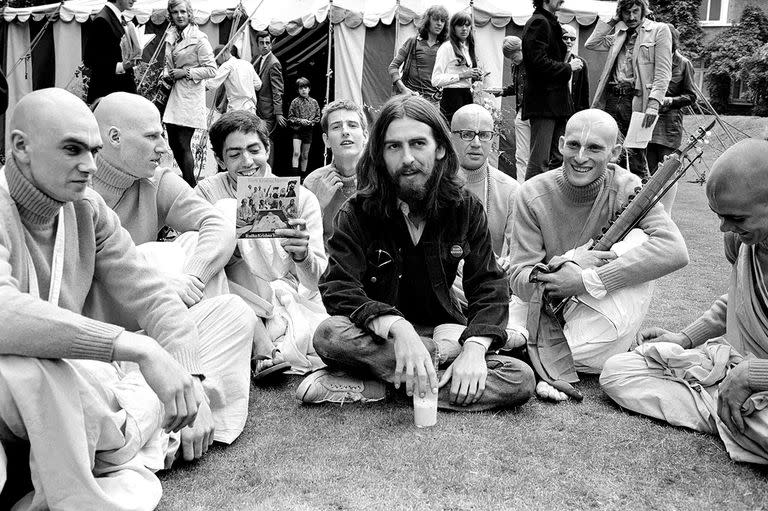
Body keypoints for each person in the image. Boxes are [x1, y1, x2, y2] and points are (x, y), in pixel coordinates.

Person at [0, 88, 229, 509]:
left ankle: (126, 431)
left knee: (225, 318)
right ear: (21, 147)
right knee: (33, 372)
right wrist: (136, 348)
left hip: (74, 379)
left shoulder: (87, 208)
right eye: (72, 150)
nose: (89, 166)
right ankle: (128, 440)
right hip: (23, 382)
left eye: (93, 150)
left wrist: (190, 379)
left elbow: (154, 296)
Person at [296, 95, 535, 410]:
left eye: (418, 143)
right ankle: (433, 378)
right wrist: (398, 328)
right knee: (328, 334)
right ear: (380, 154)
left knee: (520, 378)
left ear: (439, 148)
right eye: (394, 146)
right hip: (381, 338)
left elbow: (489, 286)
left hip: (441, 332)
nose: (407, 158)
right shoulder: (358, 211)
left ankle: (378, 386)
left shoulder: (464, 207)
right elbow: (338, 286)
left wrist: (475, 350)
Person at [88, 92, 263, 439]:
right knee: (157, 257)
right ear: (114, 138)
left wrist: (192, 276)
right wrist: (159, 285)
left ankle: (191, 395)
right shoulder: (74, 192)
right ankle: (185, 403)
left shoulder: (157, 182)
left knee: (233, 306)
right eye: (153, 136)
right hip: (102, 321)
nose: (164, 148)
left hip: (163, 316)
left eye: (163, 136)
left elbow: (219, 226)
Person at [600, 139, 768, 464]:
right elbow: (737, 299)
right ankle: (732, 414)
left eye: (736, 218)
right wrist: (684, 338)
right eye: (719, 216)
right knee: (619, 371)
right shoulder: (740, 242)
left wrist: (752, 376)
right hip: (732, 366)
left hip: (754, 374)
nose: (724, 229)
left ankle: (732, 413)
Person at [508, 109, 688, 399]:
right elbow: (519, 278)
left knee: (639, 239)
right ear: (560, 144)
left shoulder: (629, 188)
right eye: (573, 145)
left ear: (615, 152)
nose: (580, 157)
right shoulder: (531, 193)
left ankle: (530, 356)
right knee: (514, 313)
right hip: (545, 302)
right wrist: (570, 262)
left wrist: (590, 280)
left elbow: (675, 251)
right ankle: (544, 357)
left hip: (596, 304)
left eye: (594, 148)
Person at [196, 111, 328, 375]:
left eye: (254, 149)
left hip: (281, 293)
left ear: (267, 149)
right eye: (234, 154)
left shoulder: (302, 199)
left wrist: (302, 256)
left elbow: (314, 283)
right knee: (222, 213)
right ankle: (261, 342)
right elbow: (192, 254)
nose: (247, 161)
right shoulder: (207, 192)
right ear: (221, 161)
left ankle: (261, 339)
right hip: (222, 285)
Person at [586, 0, 672, 179]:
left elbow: (663, 72)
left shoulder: (659, 30)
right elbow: (592, 43)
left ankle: (642, 203)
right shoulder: (619, 33)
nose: (631, 17)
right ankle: (613, 200)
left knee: (636, 159)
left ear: (643, 10)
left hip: (637, 102)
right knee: (609, 153)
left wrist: (653, 104)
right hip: (612, 99)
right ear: (621, 13)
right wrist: (613, 20)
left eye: (635, 11)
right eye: (626, 12)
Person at [521, 0, 580, 181]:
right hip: (544, 103)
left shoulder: (550, 22)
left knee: (557, 161)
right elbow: (536, 62)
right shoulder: (539, 22)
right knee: (539, 163)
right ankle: (528, 205)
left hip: (557, 105)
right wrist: (568, 68)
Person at [162, 0, 217, 188]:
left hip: (189, 97)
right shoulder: (170, 35)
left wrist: (186, 72)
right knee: (173, 143)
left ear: (189, 13)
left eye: (183, 12)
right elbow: (168, 64)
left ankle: (191, 187)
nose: (179, 15)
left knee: (183, 144)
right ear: (170, 14)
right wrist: (166, 75)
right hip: (173, 94)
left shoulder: (199, 38)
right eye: (175, 12)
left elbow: (211, 69)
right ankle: (187, 185)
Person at [303, 99, 368, 245]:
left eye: (352, 125)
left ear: (365, 136)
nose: (345, 132)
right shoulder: (313, 182)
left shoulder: (383, 178)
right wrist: (317, 204)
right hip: (329, 263)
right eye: (336, 127)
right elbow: (301, 239)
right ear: (326, 140)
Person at [646, 23, 696, 211]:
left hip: (669, 127)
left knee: (667, 170)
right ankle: (648, 212)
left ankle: (665, 213)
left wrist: (669, 101)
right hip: (648, 123)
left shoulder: (683, 64)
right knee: (648, 172)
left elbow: (691, 96)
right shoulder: (652, 61)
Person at [388, 4, 449, 106]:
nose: (439, 24)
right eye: (436, 19)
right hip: (411, 100)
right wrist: (404, 89)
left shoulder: (446, 47)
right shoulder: (413, 42)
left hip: (433, 103)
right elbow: (393, 67)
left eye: (442, 21)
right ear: (428, 21)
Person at [432, 11, 485, 124]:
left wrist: (476, 75)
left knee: (466, 133)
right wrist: (462, 75)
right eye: (460, 25)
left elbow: (467, 76)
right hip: (451, 98)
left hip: (466, 96)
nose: (464, 28)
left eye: (467, 25)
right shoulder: (446, 48)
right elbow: (435, 80)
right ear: (453, 28)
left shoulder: (467, 48)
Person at [83, 0, 140, 105]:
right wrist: (122, 66)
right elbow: (90, 59)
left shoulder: (116, 16)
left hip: (119, 95)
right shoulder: (102, 20)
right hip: (109, 96)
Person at [494, 36, 528, 181]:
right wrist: (503, 91)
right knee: (521, 154)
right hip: (521, 112)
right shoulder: (515, 66)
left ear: (521, 49)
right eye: (510, 59)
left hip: (535, 112)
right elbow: (517, 87)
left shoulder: (533, 64)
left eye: (514, 57)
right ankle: (521, 185)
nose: (512, 61)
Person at [253, 31, 286, 168]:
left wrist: (278, 113)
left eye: (267, 43)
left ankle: (268, 173)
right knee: (259, 140)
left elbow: (278, 90)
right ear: (258, 45)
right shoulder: (257, 59)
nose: (265, 46)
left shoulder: (273, 63)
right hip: (258, 109)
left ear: (271, 44)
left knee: (266, 142)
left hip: (268, 111)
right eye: (262, 43)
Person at [205, 44, 261, 114]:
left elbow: (211, 84)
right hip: (251, 108)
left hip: (236, 109)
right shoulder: (247, 64)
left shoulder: (226, 65)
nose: (218, 64)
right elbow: (258, 85)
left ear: (223, 54)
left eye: (217, 60)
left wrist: (195, 88)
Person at [287, 77, 321, 174]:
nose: (303, 90)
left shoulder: (314, 102)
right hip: (297, 131)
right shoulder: (295, 102)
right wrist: (300, 121)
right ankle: (295, 176)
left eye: (305, 87)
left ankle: (303, 176)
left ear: (309, 89)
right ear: (298, 90)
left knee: (305, 155)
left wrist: (311, 122)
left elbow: (318, 117)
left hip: (308, 131)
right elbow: (290, 118)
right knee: (296, 153)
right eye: (301, 88)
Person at [562, 24, 589, 112]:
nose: (569, 41)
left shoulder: (581, 62)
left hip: (573, 110)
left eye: (572, 39)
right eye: (565, 38)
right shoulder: (550, 61)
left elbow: (584, 93)